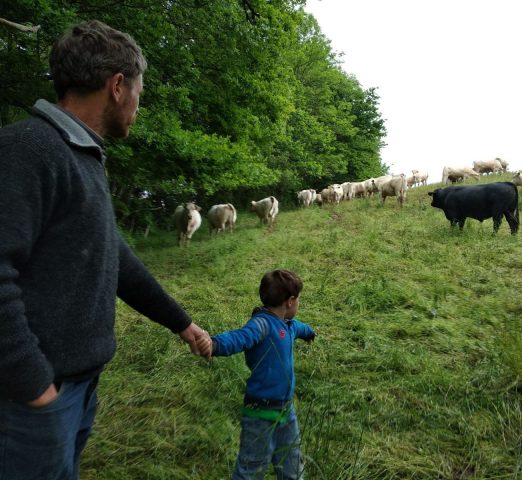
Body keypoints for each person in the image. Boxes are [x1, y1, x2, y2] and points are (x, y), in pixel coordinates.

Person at [0, 20, 212, 479]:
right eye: (139, 91)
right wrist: (33, 385)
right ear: (117, 87)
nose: (139, 105)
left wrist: (181, 323)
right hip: (29, 397)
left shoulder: (81, 156)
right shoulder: (28, 150)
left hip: (73, 386)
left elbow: (113, 257)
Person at [198, 269, 316, 480]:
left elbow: (299, 327)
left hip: (286, 411)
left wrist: (310, 333)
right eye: (299, 300)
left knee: (292, 464)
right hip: (260, 413)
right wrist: (214, 344)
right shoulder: (261, 324)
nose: (299, 304)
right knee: (251, 468)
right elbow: (239, 337)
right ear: (290, 301)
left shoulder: (287, 325)